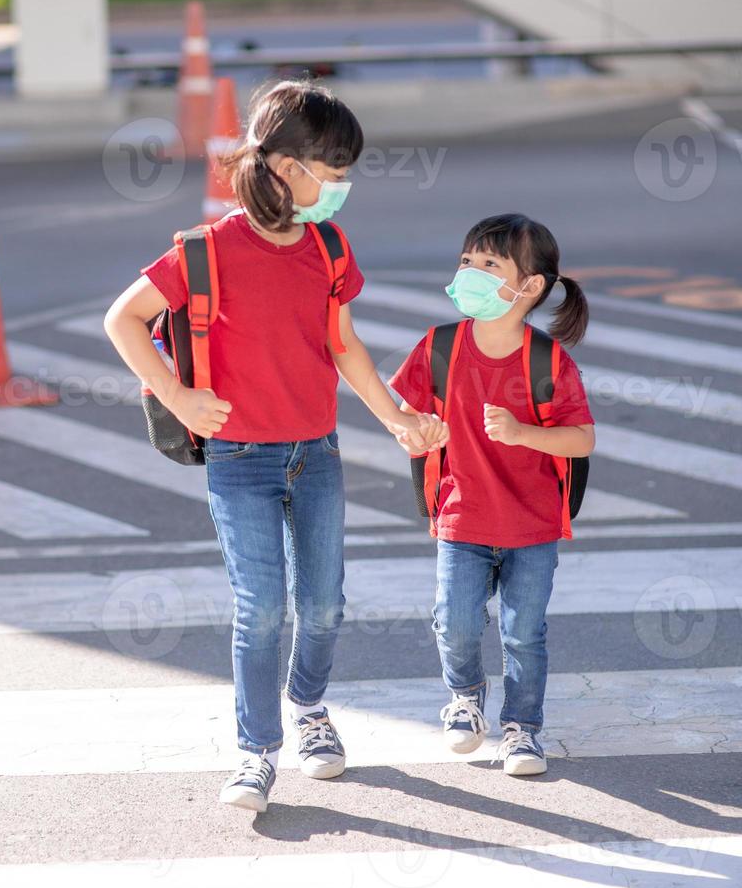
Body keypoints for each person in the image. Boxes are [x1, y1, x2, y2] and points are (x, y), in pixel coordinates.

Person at [104, 80, 447, 812]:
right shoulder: (210, 251)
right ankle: (256, 750)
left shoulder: (326, 245)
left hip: (315, 454)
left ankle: (310, 708)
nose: (343, 187)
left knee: (323, 605)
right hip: (238, 460)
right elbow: (122, 320)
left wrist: (397, 417)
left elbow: (343, 344)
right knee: (261, 607)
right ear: (288, 168)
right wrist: (178, 396)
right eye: (335, 171)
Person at [387, 213, 595, 777]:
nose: (470, 273)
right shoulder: (438, 347)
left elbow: (582, 440)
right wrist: (415, 428)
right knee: (454, 620)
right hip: (461, 517)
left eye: (488, 264)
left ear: (529, 287)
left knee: (524, 633)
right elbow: (403, 414)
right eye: (466, 261)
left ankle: (522, 730)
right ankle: (465, 697)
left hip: (532, 527)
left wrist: (524, 433)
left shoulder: (546, 360)